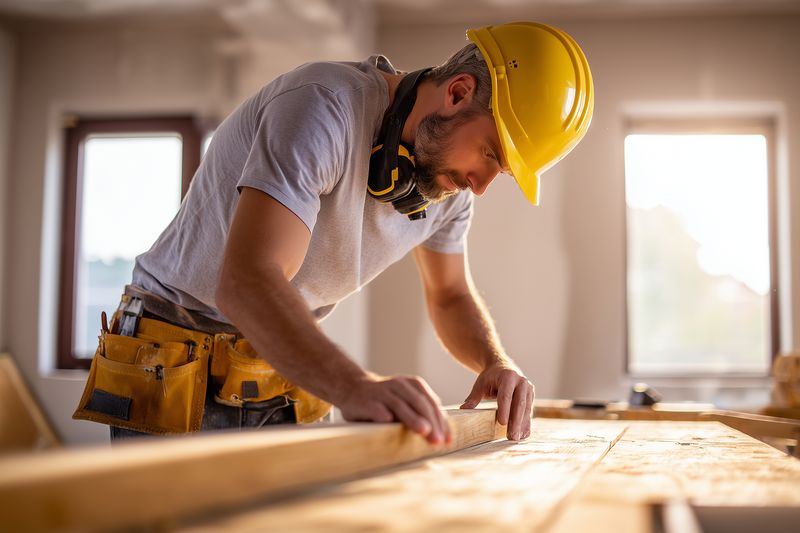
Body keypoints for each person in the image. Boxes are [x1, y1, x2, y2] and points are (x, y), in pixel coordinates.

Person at [73, 21, 594, 444]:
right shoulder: (323, 105)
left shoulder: (446, 190)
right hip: (176, 349)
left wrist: (494, 362)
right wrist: (355, 385)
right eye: (490, 155)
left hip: (280, 357)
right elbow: (248, 281)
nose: (480, 187)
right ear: (458, 93)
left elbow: (451, 295)